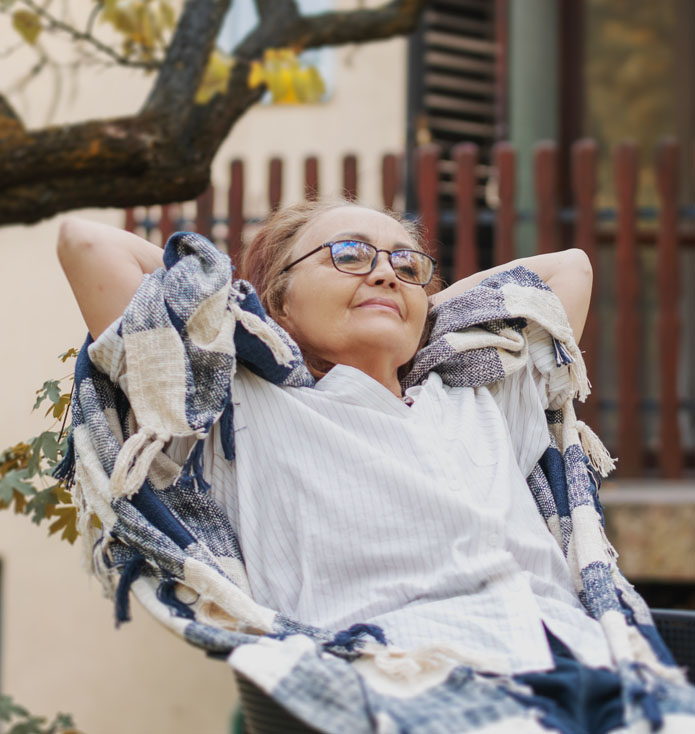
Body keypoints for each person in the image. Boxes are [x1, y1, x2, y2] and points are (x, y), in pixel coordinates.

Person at [57, 203, 693, 734]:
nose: (386, 273)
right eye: (349, 254)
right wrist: (246, 318)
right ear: (276, 300)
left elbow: (567, 272)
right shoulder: (238, 407)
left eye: (405, 262)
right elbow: (86, 245)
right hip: (414, 684)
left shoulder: (481, 394)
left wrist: (410, 303)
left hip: (592, 665)